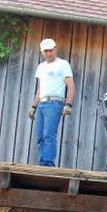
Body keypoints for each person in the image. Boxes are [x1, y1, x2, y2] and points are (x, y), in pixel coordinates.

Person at [27, 38, 75, 167]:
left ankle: (48, 164)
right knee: (40, 136)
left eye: (50, 50)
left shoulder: (63, 64)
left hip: (55, 103)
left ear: (55, 49)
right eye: (46, 51)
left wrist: (69, 104)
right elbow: (40, 89)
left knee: (49, 135)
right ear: (42, 52)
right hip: (41, 103)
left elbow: (71, 85)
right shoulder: (41, 67)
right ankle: (43, 162)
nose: (49, 53)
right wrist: (33, 106)